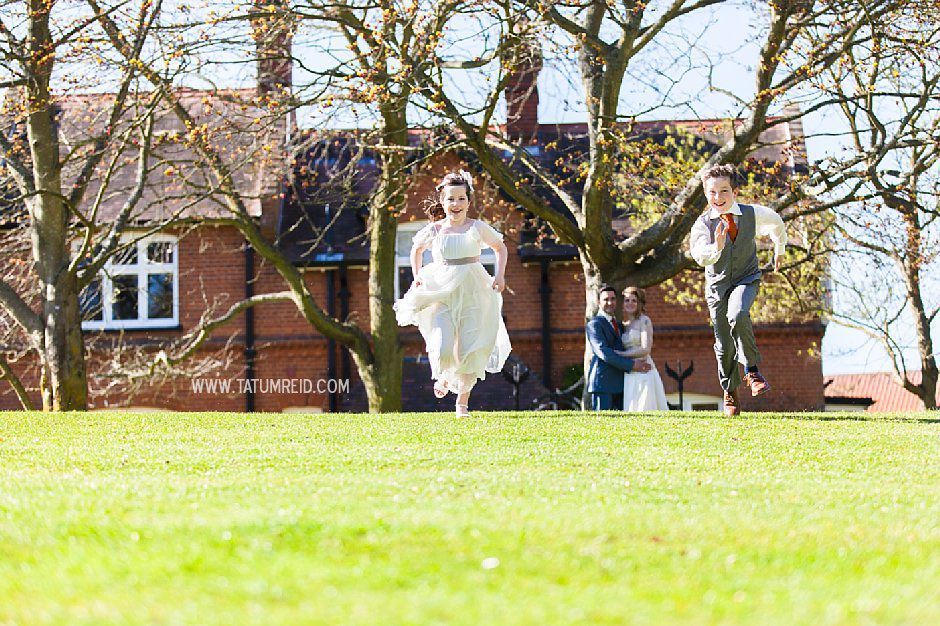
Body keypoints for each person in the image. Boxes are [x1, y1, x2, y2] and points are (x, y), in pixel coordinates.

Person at [394, 170, 511, 418]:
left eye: (460, 199)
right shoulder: (435, 230)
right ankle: (444, 376)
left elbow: (500, 247)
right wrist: (417, 276)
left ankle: (462, 404)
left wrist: (499, 275)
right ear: (443, 202)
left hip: (473, 291)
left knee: (469, 347)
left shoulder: (477, 228)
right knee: (444, 346)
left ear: (468, 202)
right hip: (442, 289)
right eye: (450, 199)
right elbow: (416, 250)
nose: (455, 204)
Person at [689, 164, 787, 416]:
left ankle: (752, 372)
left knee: (739, 313)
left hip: (746, 278)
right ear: (705, 193)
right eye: (713, 193)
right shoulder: (702, 225)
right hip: (717, 287)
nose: (718, 198)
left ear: (734, 191)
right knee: (724, 345)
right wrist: (717, 246)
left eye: (724, 191)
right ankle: (730, 392)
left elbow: (776, 223)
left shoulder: (752, 214)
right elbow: (700, 256)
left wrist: (780, 250)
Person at [586, 285, 652, 411]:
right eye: (606, 299)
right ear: (598, 302)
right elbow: (605, 353)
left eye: (613, 299)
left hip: (623, 384)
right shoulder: (594, 324)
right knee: (602, 426)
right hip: (603, 384)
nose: (610, 302)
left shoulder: (619, 324)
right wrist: (632, 365)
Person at [616, 286, 669, 411]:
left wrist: (622, 355)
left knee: (645, 408)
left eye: (634, 300)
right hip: (629, 372)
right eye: (627, 300)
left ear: (639, 303)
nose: (630, 303)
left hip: (644, 370)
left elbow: (645, 349)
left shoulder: (644, 321)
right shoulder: (624, 325)